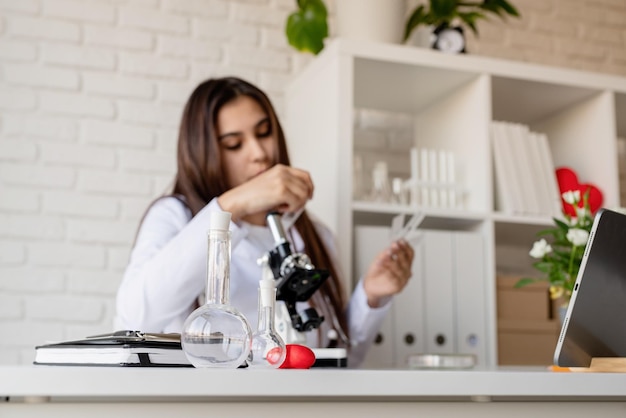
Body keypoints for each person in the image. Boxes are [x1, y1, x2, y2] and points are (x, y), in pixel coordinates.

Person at [115, 77, 414, 367]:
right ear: (202, 151)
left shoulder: (313, 233)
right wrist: (230, 206)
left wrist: (371, 296)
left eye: (264, 133)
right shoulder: (175, 216)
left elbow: (338, 359)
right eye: (234, 144)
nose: (259, 154)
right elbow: (135, 318)